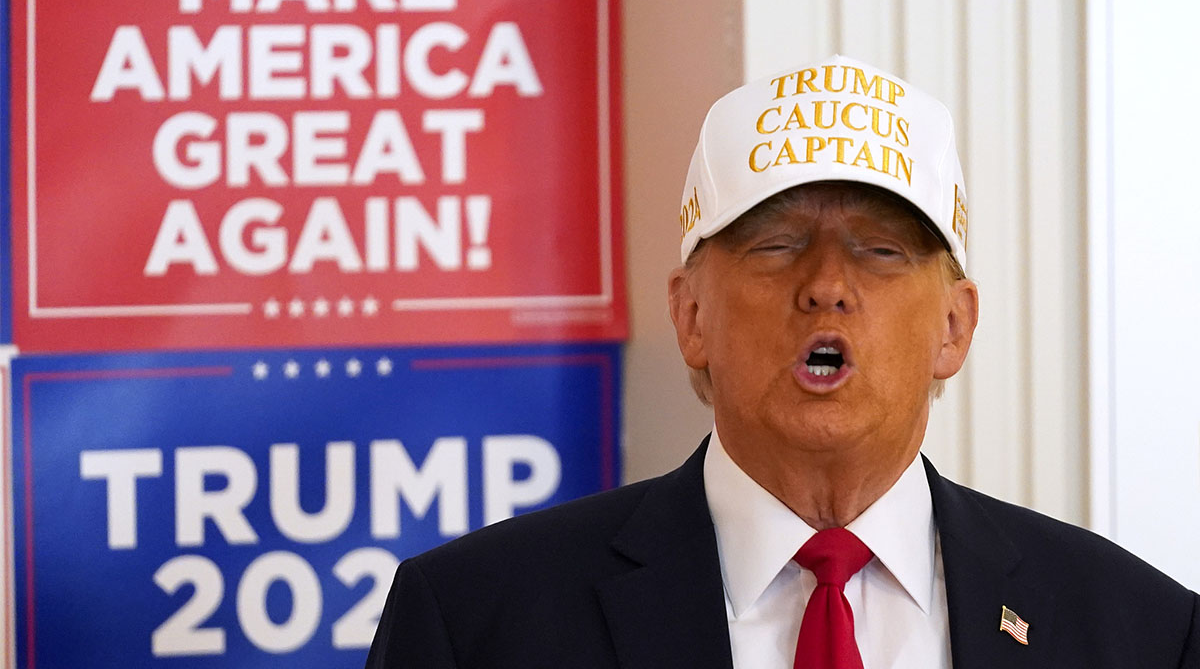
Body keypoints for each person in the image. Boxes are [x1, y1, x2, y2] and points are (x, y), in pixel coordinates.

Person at [366, 55, 1199, 668]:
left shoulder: (1142, 633)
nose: (827, 284)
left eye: (880, 250)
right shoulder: (477, 623)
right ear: (691, 316)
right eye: (776, 244)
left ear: (954, 325)